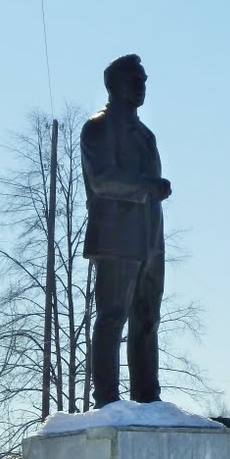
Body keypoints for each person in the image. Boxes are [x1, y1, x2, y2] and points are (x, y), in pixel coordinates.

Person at [80, 54, 172, 408]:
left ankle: (148, 397)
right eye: (136, 79)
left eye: (144, 79)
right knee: (112, 317)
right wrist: (147, 185)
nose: (142, 85)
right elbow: (101, 179)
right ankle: (107, 400)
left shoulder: (146, 135)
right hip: (117, 238)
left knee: (148, 318)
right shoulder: (99, 127)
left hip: (151, 239)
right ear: (115, 84)